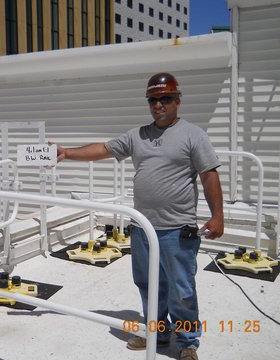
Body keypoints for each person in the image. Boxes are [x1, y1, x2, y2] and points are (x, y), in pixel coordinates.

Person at [54, 73, 224, 360]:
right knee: (148, 285)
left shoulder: (193, 135)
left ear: (177, 101)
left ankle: (187, 343)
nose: (159, 104)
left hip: (177, 229)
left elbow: (209, 175)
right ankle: (157, 332)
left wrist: (218, 215)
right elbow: (103, 149)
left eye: (165, 98)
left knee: (181, 288)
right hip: (143, 228)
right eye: (153, 99)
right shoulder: (138, 135)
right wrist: (66, 152)